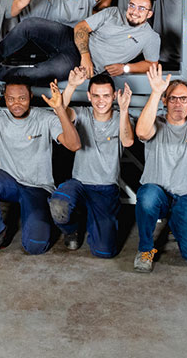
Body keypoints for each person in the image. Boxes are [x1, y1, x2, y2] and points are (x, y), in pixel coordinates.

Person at [0, 76, 81, 258]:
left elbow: (74, 145)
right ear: (5, 98)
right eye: (11, 99)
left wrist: (60, 109)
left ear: (30, 96)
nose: (16, 104)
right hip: (10, 181)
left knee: (35, 247)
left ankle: (67, 223)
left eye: (22, 98)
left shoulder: (44, 118)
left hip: (38, 187)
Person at [133, 66, 187, 271]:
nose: (178, 104)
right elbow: (142, 132)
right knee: (147, 196)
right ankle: (145, 249)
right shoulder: (156, 122)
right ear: (165, 101)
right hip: (157, 194)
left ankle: (175, 222)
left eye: (184, 99)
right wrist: (156, 92)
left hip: (185, 198)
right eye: (173, 98)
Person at [51, 70, 135, 258]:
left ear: (114, 96)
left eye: (106, 95)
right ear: (89, 96)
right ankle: (71, 229)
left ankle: (91, 220)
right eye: (96, 95)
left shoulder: (122, 118)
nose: (101, 100)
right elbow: (61, 111)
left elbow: (128, 141)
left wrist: (124, 110)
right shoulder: (82, 114)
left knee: (104, 252)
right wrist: (71, 85)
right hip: (79, 184)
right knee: (59, 204)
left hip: (105, 189)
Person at [75, 0, 162, 78]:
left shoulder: (151, 36)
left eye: (141, 8)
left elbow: (152, 64)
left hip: (94, 70)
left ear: (149, 14)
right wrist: (85, 57)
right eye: (132, 6)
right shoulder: (113, 13)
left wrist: (125, 68)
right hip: (77, 49)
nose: (135, 12)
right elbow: (80, 27)